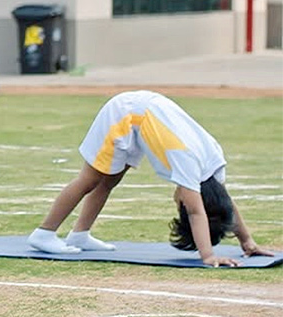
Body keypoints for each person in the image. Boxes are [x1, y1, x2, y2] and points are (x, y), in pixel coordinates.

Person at [27, 90, 268, 267]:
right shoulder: (187, 162)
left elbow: (224, 204)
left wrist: (247, 241)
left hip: (142, 116)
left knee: (109, 180)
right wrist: (208, 256)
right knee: (90, 179)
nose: (179, 200)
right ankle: (44, 233)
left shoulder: (214, 165)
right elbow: (196, 212)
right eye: (179, 204)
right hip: (125, 114)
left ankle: (80, 234)